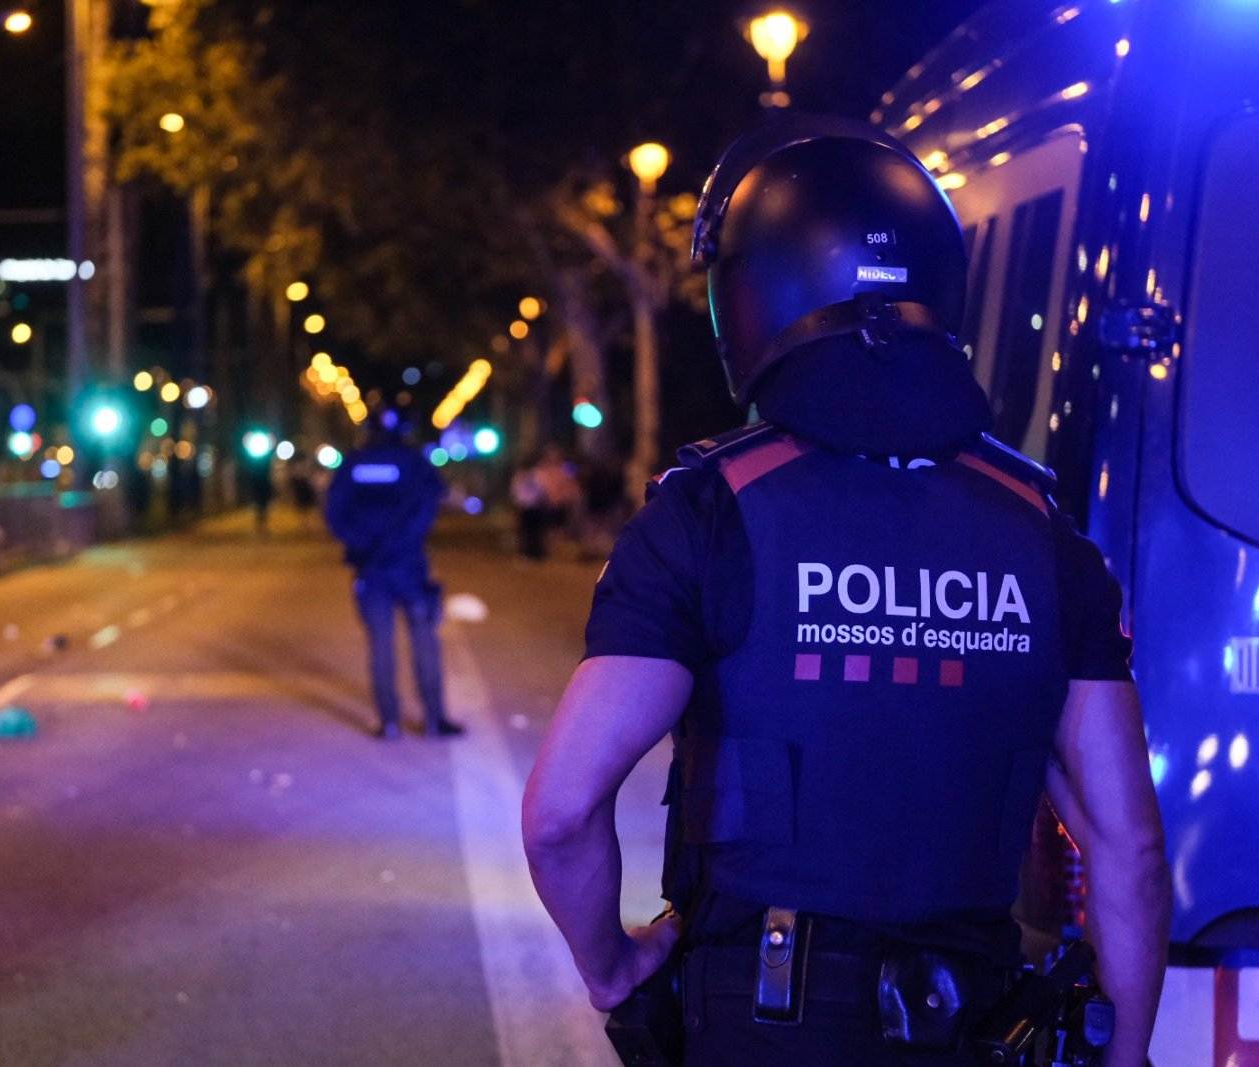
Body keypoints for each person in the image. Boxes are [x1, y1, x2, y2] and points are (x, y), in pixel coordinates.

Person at [522, 117, 1170, 1067]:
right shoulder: (1042, 528)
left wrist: (613, 966)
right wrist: (1130, 1055)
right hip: (975, 1018)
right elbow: (1131, 848)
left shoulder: (708, 511)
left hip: (759, 1016)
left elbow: (560, 813)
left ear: (753, 293)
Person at [324, 410, 464, 740]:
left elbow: (334, 514)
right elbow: (429, 506)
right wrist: (401, 544)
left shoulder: (353, 464)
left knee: (381, 646)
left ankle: (389, 723)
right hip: (408, 568)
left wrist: (366, 547)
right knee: (425, 641)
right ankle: (433, 720)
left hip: (370, 571)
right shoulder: (413, 462)